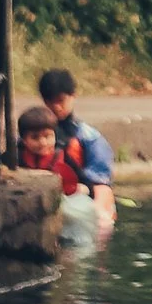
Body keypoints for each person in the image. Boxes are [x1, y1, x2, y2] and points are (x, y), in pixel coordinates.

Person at [37, 67, 118, 233]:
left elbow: (101, 183)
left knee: (101, 218)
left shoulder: (88, 137)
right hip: (47, 194)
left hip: (82, 194)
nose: (56, 107)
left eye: (61, 100)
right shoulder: (31, 134)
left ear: (73, 96)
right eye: (50, 101)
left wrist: (97, 212)